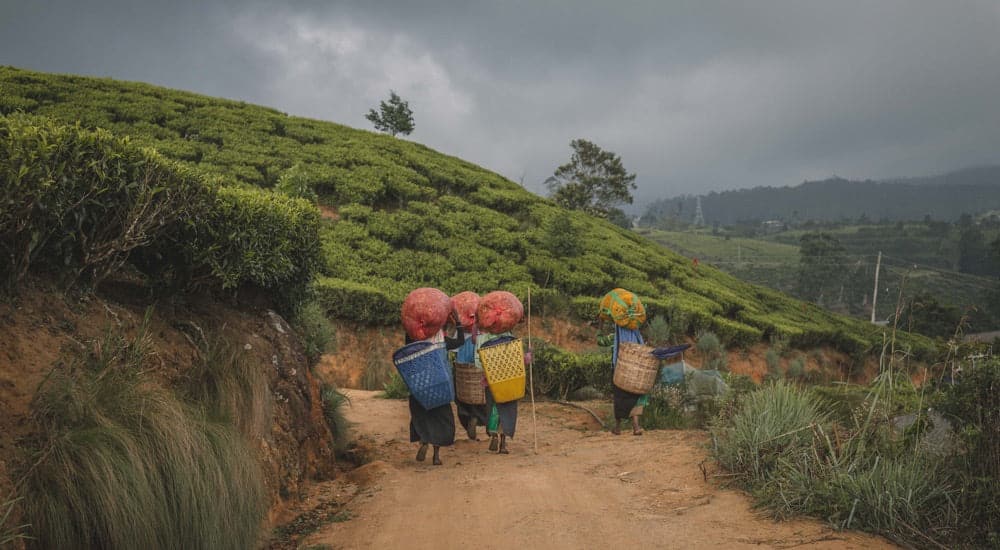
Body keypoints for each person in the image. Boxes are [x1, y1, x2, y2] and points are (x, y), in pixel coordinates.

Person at [406, 313, 464, 465]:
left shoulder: (414, 339)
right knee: (440, 418)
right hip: (439, 385)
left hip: (420, 384)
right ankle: (436, 455)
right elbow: (460, 341)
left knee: (420, 415)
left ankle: (423, 440)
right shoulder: (442, 340)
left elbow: (406, 343)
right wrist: (457, 322)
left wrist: (413, 324)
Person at [475, 330, 523, 454]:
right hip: (510, 380)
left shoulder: (482, 339)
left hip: (491, 382)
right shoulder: (511, 339)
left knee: (492, 409)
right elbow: (520, 359)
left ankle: (494, 435)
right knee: (507, 410)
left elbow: (478, 363)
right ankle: (503, 444)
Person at [454, 323, 490, 440]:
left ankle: (471, 417)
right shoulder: (488, 322)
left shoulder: (463, 324)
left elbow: (455, 351)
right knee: (487, 394)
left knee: (463, 395)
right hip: (485, 350)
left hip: (464, 352)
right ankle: (488, 424)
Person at [609, 324, 647, 436]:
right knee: (634, 393)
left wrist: (600, 327)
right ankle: (635, 426)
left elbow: (601, 340)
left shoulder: (618, 331)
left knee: (620, 395)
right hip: (635, 364)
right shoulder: (635, 330)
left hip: (621, 364)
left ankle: (618, 427)